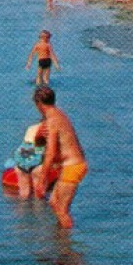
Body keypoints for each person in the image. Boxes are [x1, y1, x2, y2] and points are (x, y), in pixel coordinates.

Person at [35, 86, 87, 229]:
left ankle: (66, 248)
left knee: (61, 210)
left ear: (38, 104)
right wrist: (39, 135)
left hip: (73, 166)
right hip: (73, 164)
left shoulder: (52, 120)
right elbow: (40, 144)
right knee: (54, 203)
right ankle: (60, 241)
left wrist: (42, 180)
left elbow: (50, 153)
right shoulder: (59, 115)